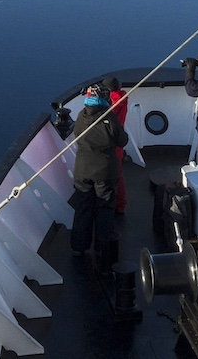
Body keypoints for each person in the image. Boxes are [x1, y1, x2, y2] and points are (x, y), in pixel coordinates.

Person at [69, 84, 127, 269]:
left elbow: (77, 133)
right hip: (104, 171)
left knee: (83, 208)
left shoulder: (81, 116)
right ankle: (103, 249)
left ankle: (78, 247)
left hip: (82, 170)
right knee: (104, 208)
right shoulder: (109, 118)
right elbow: (122, 140)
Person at [104, 76, 129, 216]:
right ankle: (120, 205)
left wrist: (90, 96)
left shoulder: (112, 103)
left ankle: (110, 205)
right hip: (118, 145)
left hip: (109, 145)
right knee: (118, 176)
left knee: (108, 176)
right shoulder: (122, 99)